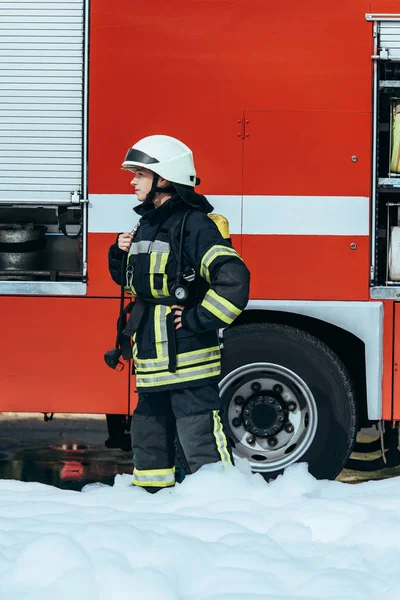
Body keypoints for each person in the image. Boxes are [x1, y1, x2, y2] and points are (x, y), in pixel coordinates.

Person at [108, 135, 250, 492]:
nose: (132, 181)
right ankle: (153, 509)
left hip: (188, 359)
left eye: (139, 174)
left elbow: (234, 279)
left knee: (199, 437)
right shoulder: (146, 225)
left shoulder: (196, 225)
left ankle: (221, 510)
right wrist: (118, 253)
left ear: (164, 178)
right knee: (148, 438)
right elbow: (137, 285)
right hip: (152, 359)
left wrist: (196, 319)